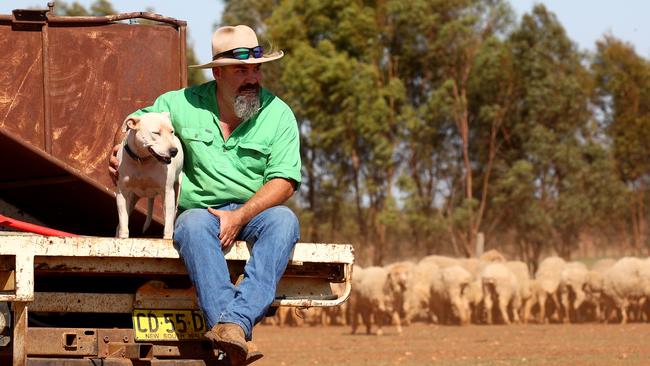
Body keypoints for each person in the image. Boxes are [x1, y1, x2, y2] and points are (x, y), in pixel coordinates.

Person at [108, 25, 301, 366]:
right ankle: (234, 328)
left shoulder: (278, 114)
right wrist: (120, 149)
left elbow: (284, 181)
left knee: (285, 221)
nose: (252, 78)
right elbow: (138, 123)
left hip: (255, 211)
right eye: (241, 70)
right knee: (191, 227)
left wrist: (239, 216)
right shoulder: (179, 103)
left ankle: (231, 324)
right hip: (202, 211)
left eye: (256, 69)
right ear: (217, 73)